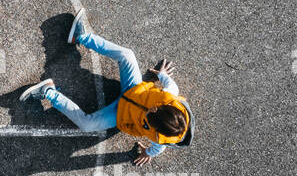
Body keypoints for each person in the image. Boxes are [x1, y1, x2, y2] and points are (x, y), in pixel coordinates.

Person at [19, 10, 191, 166]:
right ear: (165, 105)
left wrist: (147, 153)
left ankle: (48, 92)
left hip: (120, 116)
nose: (150, 110)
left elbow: (157, 149)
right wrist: (162, 74)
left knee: (87, 124)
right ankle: (81, 36)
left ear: (157, 129)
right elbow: (171, 85)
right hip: (134, 88)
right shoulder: (170, 96)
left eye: (149, 116)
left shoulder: (159, 140)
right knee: (127, 55)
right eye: (154, 109)